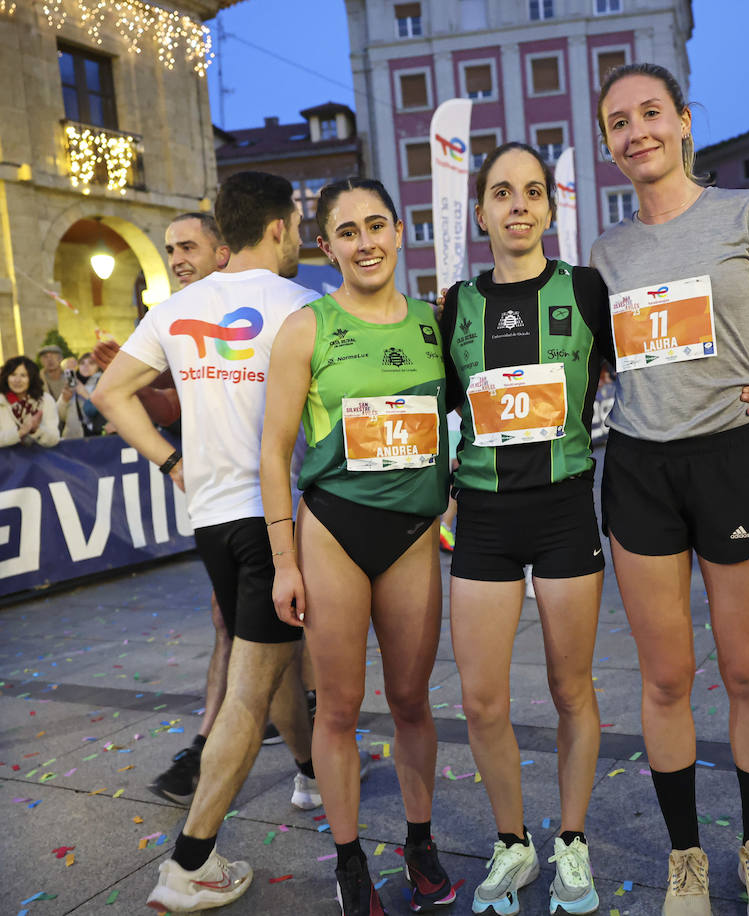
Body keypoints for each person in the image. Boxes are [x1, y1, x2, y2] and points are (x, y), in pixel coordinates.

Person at [591, 63, 749, 916]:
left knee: (748, 672)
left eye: (651, 113)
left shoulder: (747, 214)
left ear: (684, 121)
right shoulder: (603, 255)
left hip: (731, 466)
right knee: (665, 680)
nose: (637, 131)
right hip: (639, 473)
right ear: (608, 145)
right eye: (619, 122)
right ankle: (686, 857)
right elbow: (592, 369)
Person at [93, 171, 317, 913]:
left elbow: (109, 392)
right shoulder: (304, 305)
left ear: (226, 229)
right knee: (250, 694)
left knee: (275, 662)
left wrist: (172, 462)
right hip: (276, 519)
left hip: (212, 520)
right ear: (281, 226)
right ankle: (191, 861)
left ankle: (311, 769)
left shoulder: (178, 308)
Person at [259, 177, 455, 916]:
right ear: (325, 245)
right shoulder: (307, 328)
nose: (365, 242)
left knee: (410, 700)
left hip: (411, 535)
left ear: (401, 232)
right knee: (338, 707)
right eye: (348, 231)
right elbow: (274, 451)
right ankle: (348, 862)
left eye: (377, 225)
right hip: (335, 530)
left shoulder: (437, 324)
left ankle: (420, 841)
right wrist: (284, 561)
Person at [438, 142, 612, 916]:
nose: (518, 205)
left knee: (570, 688)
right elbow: (439, 408)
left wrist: (743, 392)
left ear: (549, 207)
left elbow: (650, 370)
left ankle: (571, 840)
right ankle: (514, 845)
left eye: (532, 192)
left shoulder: (587, 289)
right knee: (481, 702)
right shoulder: (456, 304)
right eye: (502, 193)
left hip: (567, 508)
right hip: (483, 518)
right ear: (480, 212)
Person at [0, 356, 62, 448]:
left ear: (31, 378)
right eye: (13, 375)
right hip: (0, 459)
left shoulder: (45, 400)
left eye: (23, 375)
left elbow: (54, 438)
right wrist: (20, 432)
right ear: (6, 377)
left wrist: (36, 430)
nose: (17, 380)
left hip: (36, 460)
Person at [37, 344, 83, 439]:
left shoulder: (69, 375)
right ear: (41, 361)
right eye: (45, 357)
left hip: (68, 417)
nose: (50, 360)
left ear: (61, 358)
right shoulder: (37, 379)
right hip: (46, 419)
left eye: (54, 356)